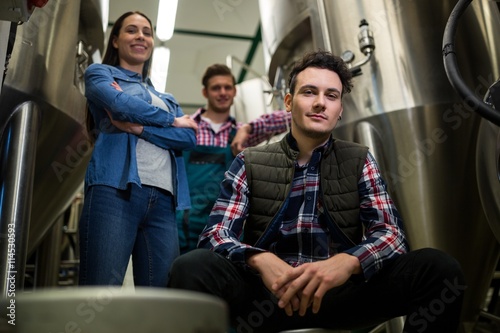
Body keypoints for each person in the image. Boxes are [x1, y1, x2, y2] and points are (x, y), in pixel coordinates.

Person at [168, 50, 466, 332]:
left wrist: (348, 263)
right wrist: (258, 259)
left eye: (331, 95)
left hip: (340, 294)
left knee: (439, 269)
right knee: (191, 266)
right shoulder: (249, 161)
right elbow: (215, 235)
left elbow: (390, 233)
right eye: (309, 92)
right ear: (288, 102)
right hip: (266, 296)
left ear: (339, 110)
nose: (321, 102)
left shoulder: (359, 159)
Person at [78, 11, 198, 287]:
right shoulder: (100, 74)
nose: (141, 36)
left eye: (146, 32)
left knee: (160, 300)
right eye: (131, 30)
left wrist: (139, 128)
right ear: (116, 40)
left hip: (164, 202)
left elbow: (188, 139)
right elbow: (120, 106)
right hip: (115, 192)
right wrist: (171, 120)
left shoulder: (166, 97)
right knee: (100, 289)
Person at [178, 63, 291, 253]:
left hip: (226, 228)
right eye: (216, 88)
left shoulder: (241, 133)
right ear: (205, 92)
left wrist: (249, 128)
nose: (222, 92)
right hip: (185, 225)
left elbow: (292, 115)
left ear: (234, 91)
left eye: (227, 87)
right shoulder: (186, 128)